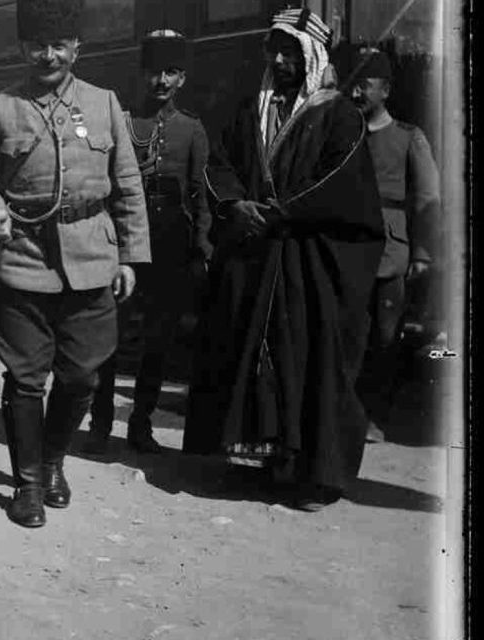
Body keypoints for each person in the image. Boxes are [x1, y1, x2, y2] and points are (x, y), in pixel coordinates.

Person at [182, 8, 384, 512]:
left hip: (307, 259)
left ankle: (312, 478)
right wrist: (235, 205)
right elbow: (220, 163)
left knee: (310, 358)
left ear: (311, 56)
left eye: (290, 51)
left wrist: (285, 212)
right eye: (273, 49)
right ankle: (252, 464)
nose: (278, 59)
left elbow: (343, 185)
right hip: (253, 254)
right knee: (241, 348)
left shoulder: (339, 115)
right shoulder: (250, 108)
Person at [0, 0, 150, 528]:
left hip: (93, 259)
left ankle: (54, 461)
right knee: (27, 378)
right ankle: (29, 483)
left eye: (59, 45)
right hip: (24, 260)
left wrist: (130, 256)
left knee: (82, 377)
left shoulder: (104, 103)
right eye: (36, 45)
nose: (47, 55)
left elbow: (128, 184)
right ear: (22, 48)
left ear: (77, 49)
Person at [88, 29, 212, 455]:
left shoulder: (192, 130)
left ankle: (140, 425)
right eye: (155, 72)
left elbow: (200, 196)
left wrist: (201, 250)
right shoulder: (121, 120)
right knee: (109, 338)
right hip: (123, 247)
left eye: (171, 72)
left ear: (182, 79)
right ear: (142, 74)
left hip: (170, 249)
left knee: (158, 342)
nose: (161, 81)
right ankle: (100, 423)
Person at [343, 46, 442, 443]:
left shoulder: (408, 138)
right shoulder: (344, 136)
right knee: (350, 334)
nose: (356, 94)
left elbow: (426, 198)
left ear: (385, 90)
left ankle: (373, 415)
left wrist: (422, 252)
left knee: (385, 339)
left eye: (365, 86)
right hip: (348, 249)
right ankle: (346, 414)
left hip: (390, 253)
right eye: (354, 85)